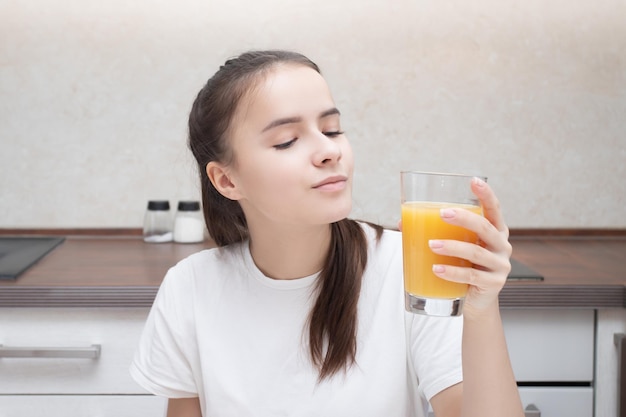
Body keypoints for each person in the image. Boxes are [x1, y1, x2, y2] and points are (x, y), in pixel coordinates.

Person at [130, 50, 524, 417]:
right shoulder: (191, 287)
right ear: (227, 180)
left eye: (332, 130)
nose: (329, 151)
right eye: (287, 140)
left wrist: (481, 311)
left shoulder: (408, 271)